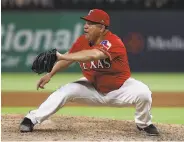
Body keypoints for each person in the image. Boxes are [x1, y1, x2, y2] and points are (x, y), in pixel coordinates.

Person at [19, 9, 159, 136]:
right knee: (64, 92)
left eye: (91, 23)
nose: (86, 26)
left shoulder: (113, 42)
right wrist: (50, 74)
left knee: (144, 93)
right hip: (91, 87)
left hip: (120, 88)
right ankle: (31, 119)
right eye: (86, 22)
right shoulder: (82, 41)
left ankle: (144, 124)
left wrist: (62, 56)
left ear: (102, 28)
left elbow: (93, 55)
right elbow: (68, 58)